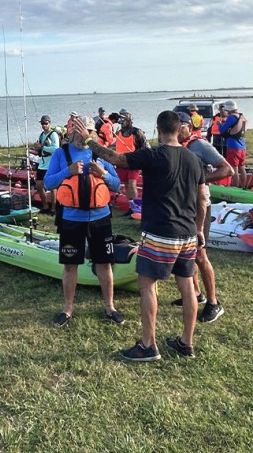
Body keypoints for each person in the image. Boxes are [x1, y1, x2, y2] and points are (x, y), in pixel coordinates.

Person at [87, 110, 205, 361]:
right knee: (187, 287)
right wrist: (198, 228)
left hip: (160, 233)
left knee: (147, 285)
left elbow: (117, 158)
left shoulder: (153, 155)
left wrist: (89, 141)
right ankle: (186, 343)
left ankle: (148, 345)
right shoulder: (194, 159)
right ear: (179, 130)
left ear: (158, 130)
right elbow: (202, 198)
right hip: (187, 234)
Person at [42, 116, 124, 328]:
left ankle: (110, 307)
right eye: (77, 132)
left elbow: (117, 185)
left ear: (92, 134)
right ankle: (67, 308)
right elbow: (48, 182)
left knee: (104, 263)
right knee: (70, 265)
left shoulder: (100, 153)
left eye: (86, 132)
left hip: (100, 218)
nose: (81, 136)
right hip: (71, 219)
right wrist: (67, 172)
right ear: (70, 133)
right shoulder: (61, 153)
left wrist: (103, 174)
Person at [174, 111, 234, 323]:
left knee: (200, 254)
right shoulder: (176, 146)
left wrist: (200, 179)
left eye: (179, 126)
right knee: (186, 252)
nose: (175, 130)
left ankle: (213, 303)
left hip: (200, 205)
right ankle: (196, 294)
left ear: (188, 127)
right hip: (182, 204)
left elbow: (227, 170)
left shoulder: (199, 145)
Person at [114, 109, 147, 201]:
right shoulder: (119, 132)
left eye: (123, 119)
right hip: (121, 163)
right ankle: (130, 203)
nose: (121, 121)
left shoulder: (137, 132)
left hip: (133, 162)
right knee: (126, 185)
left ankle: (135, 205)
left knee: (132, 184)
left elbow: (145, 147)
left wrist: (141, 160)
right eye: (120, 119)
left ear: (129, 120)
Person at [217, 100, 249, 188]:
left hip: (233, 146)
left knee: (234, 168)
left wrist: (219, 125)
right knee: (242, 168)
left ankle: (236, 187)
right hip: (242, 145)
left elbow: (222, 130)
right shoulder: (241, 116)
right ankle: (244, 187)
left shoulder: (231, 117)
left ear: (229, 109)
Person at [35, 114, 60, 213]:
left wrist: (42, 147)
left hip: (51, 163)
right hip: (42, 163)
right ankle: (45, 206)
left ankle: (53, 208)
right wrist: (38, 147)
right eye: (42, 124)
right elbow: (41, 147)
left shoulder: (53, 134)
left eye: (46, 123)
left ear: (50, 123)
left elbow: (56, 148)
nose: (44, 125)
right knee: (39, 185)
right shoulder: (42, 135)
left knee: (53, 187)